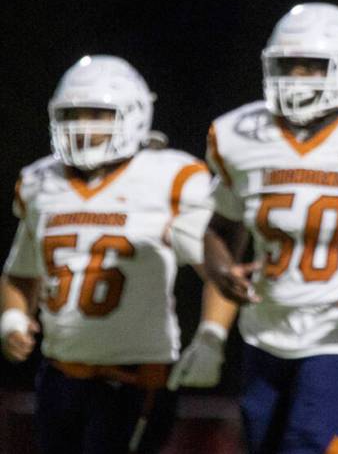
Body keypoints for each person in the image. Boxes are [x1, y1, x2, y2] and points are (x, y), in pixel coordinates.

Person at [194, 3, 338, 454]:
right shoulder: (238, 135)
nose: (297, 77)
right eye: (287, 65)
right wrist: (222, 269)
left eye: (312, 66)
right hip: (267, 330)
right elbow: (220, 227)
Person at [0, 55, 214, 453]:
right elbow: (20, 271)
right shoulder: (39, 181)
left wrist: (212, 336)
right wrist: (13, 317)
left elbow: (218, 269)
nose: (83, 125)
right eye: (74, 114)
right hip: (59, 375)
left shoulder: (168, 176)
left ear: (133, 116)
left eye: (98, 114)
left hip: (134, 379)